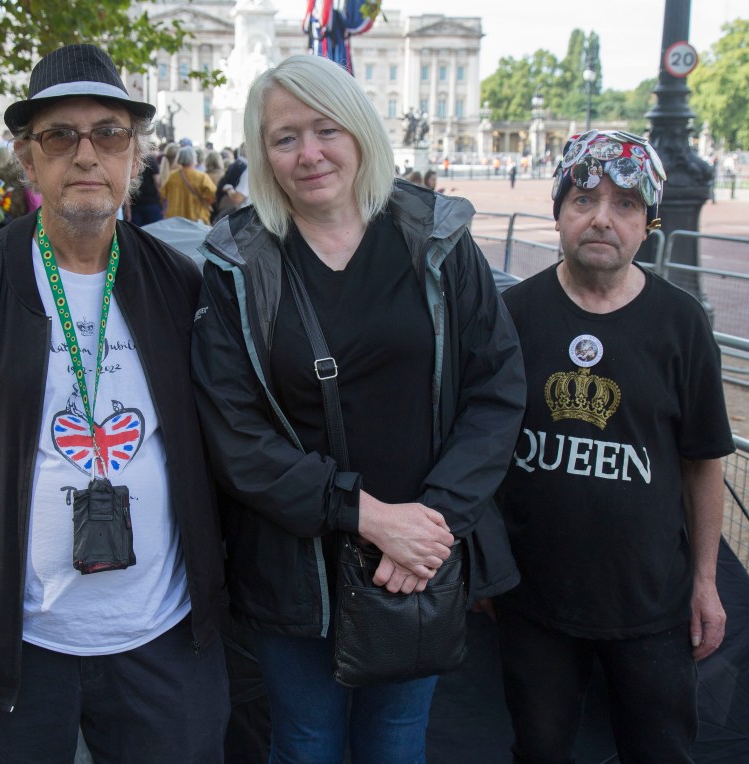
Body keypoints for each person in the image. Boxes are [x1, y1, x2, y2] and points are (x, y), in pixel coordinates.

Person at [0, 43, 229, 762]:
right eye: (59, 136)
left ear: (134, 155)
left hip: (163, 641)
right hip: (8, 649)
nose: (87, 154)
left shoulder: (182, 286)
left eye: (109, 133)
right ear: (27, 160)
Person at [190, 54, 525, 763]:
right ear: (263, 153)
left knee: (396, 744)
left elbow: (495, 388)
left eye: (325, 129)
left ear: (361, 131)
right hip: (294, 564)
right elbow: (235, 433)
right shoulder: (239, 262)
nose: (309, 153)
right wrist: (371, 518)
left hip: (416, 566)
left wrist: (434, 524)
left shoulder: (435, 238)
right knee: (306, 743)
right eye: (285, 139)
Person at [494, 129, 735, 763]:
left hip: (652, 607)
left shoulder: (681, 324)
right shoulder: (511, 317)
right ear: (558, 212)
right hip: (532, 602)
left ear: (649, 223)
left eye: (625, 203)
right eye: (584, 198)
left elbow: (702, 462)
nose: (602, 217)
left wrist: (706, 583)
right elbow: (482, 452)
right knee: (539, 751)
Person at [160, 145, 216, 224]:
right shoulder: (202, 177)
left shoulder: (172, 176)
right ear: (194, 159)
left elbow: (163, 196)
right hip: (196, 219)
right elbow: (212, 196)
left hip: (175, 220)